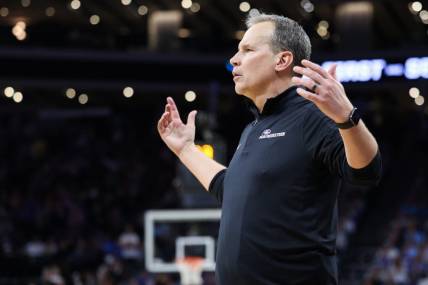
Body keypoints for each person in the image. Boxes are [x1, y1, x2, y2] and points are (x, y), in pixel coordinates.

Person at [157, 12, 381, 285]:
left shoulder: (314, 115)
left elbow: (367, 171)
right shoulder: (252, 128)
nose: (234, 59)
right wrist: (185, 149)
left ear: (283, 60)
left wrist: (347, 118)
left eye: (247, 50)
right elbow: (231, 188)